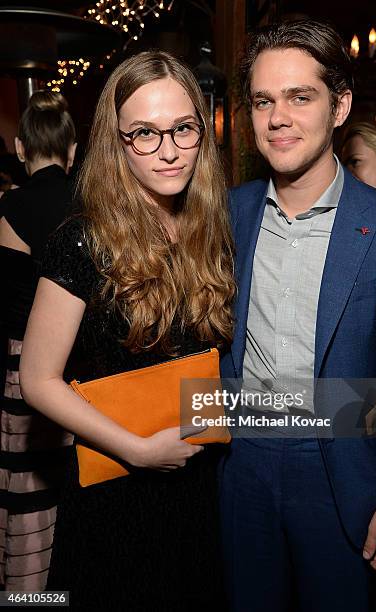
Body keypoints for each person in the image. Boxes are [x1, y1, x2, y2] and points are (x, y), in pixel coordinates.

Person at [219, 19, 376, 612]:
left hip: (342, 469)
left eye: (299, 97)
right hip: (243, 461)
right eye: (263, 100)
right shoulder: (225, 215)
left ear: (340, 107)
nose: (278, 117)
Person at [19, 51, 235, 609]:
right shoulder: (83, 240)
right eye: (144, 133)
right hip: (117, 485)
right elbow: (37, 379)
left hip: (198, 486)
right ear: (116, 143)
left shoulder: (211, 230)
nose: (167, 150)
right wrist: (137, 451)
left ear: (201, 132)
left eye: (182, 128)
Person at [0, 91, 76, 591]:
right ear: (72, 150)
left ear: (21, 147)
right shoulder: (89, 205)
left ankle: (26, 599)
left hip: (23, 375)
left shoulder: (14, 207)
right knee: (65, 508)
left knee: (23, 514)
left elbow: (9, 310)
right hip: (76, 379)